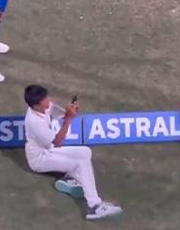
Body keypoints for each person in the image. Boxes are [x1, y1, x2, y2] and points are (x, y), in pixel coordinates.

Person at [23, 85, 123, 220]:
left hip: (49, 151)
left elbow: (62, 114)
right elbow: (57, 142)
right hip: (39, 159)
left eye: (46, 97)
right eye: (45, 99)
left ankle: (70, 180)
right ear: (36, 105)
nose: (49, 100)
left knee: (85, 152)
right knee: (80, 162)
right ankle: (94, 206)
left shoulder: (44, 106)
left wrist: (70, 111)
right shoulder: (33, 121)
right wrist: (69, 119)